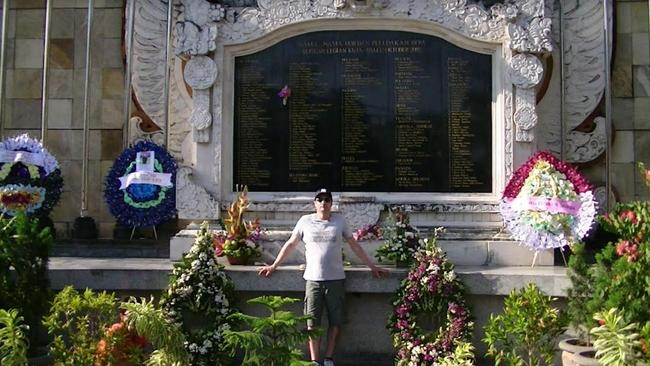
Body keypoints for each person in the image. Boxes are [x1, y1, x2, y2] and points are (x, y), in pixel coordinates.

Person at [257, 188, 388, 366]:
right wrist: (274, 265)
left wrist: (371, 266)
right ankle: (314, 361)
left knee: (336, 320)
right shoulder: (305, 221)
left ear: (331, 204)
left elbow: (354, 245)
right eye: (320, 200)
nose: (323, 203)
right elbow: (290, 244)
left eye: (327, 200)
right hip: (313, 279)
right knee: (312, 322)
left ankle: (328, 358)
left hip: (335, 279)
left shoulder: (339, 221)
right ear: (315, 203)